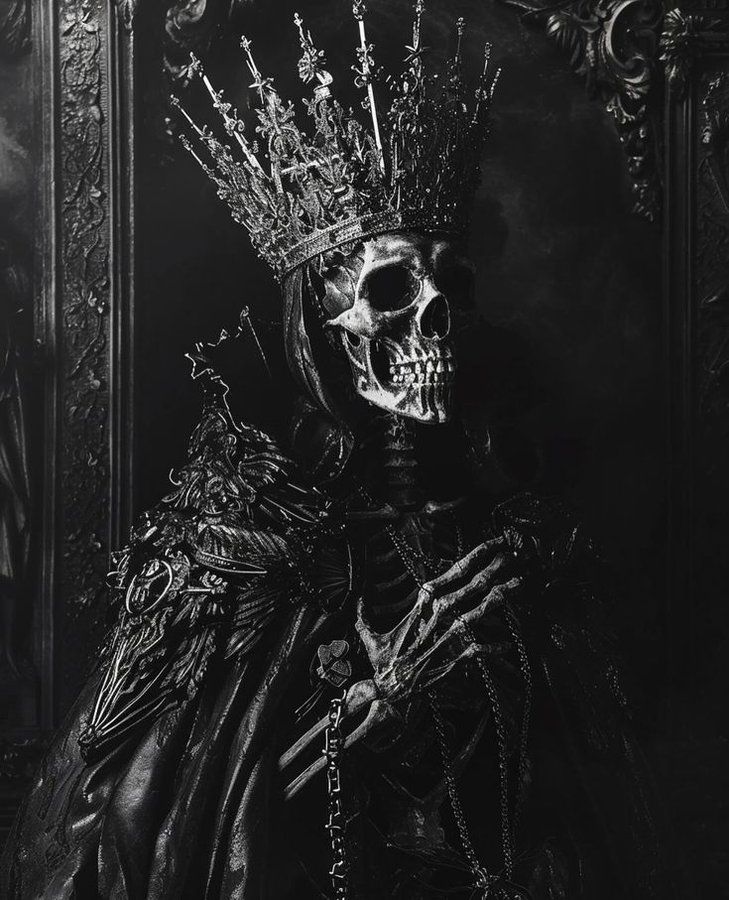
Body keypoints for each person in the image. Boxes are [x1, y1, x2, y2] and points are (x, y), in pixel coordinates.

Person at [1, 4, 680, 898]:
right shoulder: (232, 554)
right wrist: (371, 709)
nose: (435, 321)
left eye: (451, 287)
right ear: (316, 329)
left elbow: (601, 798)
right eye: (392, 291)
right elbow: (140, 824)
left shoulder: (522, 549)